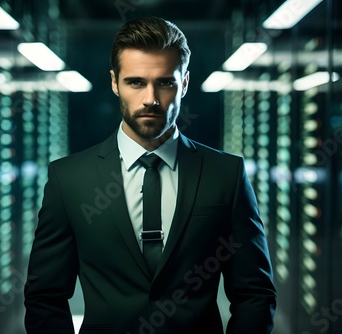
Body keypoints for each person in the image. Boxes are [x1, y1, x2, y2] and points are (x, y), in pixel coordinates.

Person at [24, 16, 277, 334]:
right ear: (115, 82)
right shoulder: (68, 179)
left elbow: (254, 294)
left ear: (184, 83)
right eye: (136, 82)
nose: (151, 99)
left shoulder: (226, 174)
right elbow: (44, 298)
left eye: (166, 82)